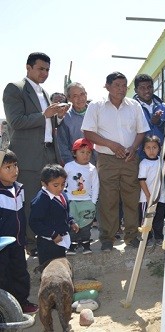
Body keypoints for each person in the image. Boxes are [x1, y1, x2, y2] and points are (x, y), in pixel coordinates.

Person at [3, 52, 70, 257]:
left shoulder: (44, 92)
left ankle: (51, 237)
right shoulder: (15, 88)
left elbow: (47, 124)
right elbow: (16, 122)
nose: (45, 73)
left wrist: (58, 117)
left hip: (49, 152)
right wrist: (44, 115)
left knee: (51, 198)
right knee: (33, 199)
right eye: (41, 68)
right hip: (29, 155)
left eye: (48, 69)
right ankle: (31, 242)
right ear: (28, 67)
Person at [81, 72, 150, 252]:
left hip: (130, 158)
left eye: (124, 85)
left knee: (131, 198)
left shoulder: (134, 106)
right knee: (108, 199)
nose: (121, 89)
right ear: (107, 86)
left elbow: (141, 131)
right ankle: (107, 238)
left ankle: (132, 236)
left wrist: (133, 148)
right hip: (106, 159)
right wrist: (110, 144)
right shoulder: (96, 106)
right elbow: (88, 132)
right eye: (117, 85)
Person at [0, 150, 39, 314]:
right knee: (3, 276)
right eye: (7, 167)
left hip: (18, 242)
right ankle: (5, 309)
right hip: (2, 246)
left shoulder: (19, 188)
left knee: (20, 273)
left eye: (15, 165)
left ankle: (22, 303)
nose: (14, 170)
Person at [30, 164, 79, 266]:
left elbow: (64, 212)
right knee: (48, 269)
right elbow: (34, 222)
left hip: (60, 240)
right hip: (47, 243)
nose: (60, 188)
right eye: (56, 185)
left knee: (60, 266)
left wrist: (71, 221)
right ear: (44, 184)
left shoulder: (62, 195)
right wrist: (52, 234)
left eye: (63, 184)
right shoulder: (41, 200)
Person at [63, 138, 99, 255]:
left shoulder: (92, 169)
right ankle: (72, 245)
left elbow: (96, 185)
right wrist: (65, 199)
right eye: (82, 152)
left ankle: (85, 245)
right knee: (72, 224)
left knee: (86, 225)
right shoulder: (68, 166)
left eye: (88, 152)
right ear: (74, 153)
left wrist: (93, 202)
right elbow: (62, 183)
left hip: (87, 201)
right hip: (72, 201)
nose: (85, 155)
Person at [57, 82, 97, 165]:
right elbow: (62, 145)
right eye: (75, 96)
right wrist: (72, 165)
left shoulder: (97, 112)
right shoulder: (65, 117)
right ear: (69, 98)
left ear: (86, 94)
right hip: (77, 165)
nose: (80, 98)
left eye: (82, 94)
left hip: (99, 164)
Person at [132, 74, 165, 160]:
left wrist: (158, 122)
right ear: (136, 90)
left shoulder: (163, 107)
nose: (147, 91)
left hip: (161, 156)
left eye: (149, 87)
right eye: (142, 88)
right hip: (139, 157)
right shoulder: (131, 108)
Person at [138, 135, 165, 244]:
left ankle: (158, 236)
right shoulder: (144, 163)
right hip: (146, 197)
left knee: (159, 217)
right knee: (147, 218)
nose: (151, 150)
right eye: (148, 147)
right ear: (144, 149)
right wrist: (148, 195)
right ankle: (147, 238)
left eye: (154, 147)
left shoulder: (161, 160)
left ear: (159, 149)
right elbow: (141, 180)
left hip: (161, 196)